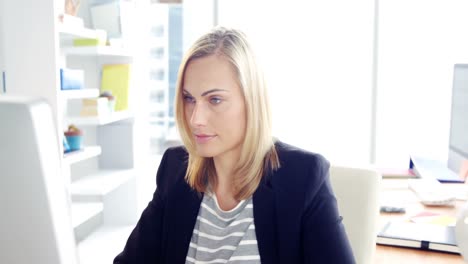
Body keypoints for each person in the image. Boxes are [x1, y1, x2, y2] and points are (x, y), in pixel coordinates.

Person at [114, 27, 355, 264]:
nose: (196, 118)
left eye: (215, 99)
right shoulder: (175, 170)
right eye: (189, 99)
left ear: (252, 101)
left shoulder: (303, 176)